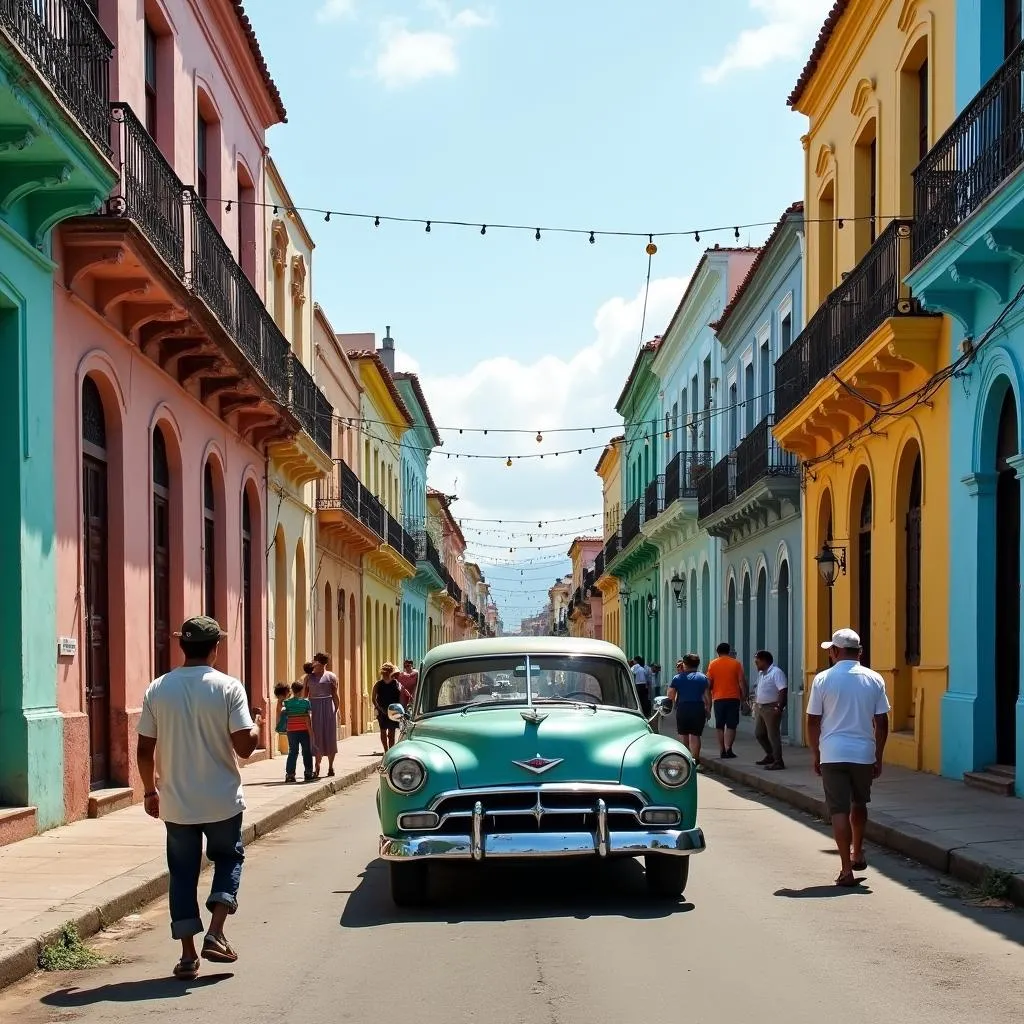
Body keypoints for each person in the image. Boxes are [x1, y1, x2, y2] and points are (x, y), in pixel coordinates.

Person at [136, 616, 262, 981]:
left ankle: (188, 956)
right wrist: (255, 725)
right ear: (215, 648)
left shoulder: (157, 689)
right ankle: (217, 931)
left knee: (182, 874)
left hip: (176, 802)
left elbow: (144, 749)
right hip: (222, 800)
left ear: (182, 646)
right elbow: (243, 748)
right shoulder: (228, 688)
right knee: (228, 858)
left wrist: (148, 790)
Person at [807, 628, 890, 888]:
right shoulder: (874, 679)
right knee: (859, 803)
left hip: (832, 753)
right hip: (863, 753)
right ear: (860, 652)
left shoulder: (823, 679)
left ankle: (846, 869)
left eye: (829, 650)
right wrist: (878, 755)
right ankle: (858, 852)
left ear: (834, 651)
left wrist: (816, 752)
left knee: (838, 810)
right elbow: (882, 721)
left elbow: (813, 720)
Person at [706, 642, 748, 758]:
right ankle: (729, 748)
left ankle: (722, 749)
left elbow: (709, 682)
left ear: (717, 652)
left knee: (719, 725)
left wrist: (708, 697)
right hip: (733, 698)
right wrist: (744, 697)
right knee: (731, 725)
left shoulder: (712, 664)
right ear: (729, 651)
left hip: (718, 698)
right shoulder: (736, 664)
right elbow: (741, 682)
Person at [667, 655, 711, 763]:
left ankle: (686, 760)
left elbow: (670, 696)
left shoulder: (677, 678)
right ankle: (696, 760)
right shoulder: (703, 678)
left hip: (683, 707)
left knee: (683, 735)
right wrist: (708, 709)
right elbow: (707, 697)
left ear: (684, 664)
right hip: (698, 707)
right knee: (695, 735)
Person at [305, 652, 340, 778]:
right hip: (314, 707)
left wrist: (336, 710)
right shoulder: (309, 677)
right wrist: (305, 712)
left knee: (330, 736)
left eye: (316, 661)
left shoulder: (331, 676)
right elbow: (305, 696)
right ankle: (317, 765)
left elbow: (335, 695)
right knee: (316, 736)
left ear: (322, 663)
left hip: (328, 706)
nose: (314, 663)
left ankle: (331, 766)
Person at [753, 650, 788, 769]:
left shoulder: (776, 672)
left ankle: (778, 761)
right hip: (760, 707)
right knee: (759, 733)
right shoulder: (761, 674)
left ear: (764, 661)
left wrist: (780, 706)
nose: (756, 664)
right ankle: (770, 754)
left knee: (773, 735)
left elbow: (782, 690)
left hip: (771, 707)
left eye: (757, 662)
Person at [282, 680, 315, 783]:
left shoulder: (287, 703)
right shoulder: (306, 702)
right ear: (302, 690)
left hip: (291, 730)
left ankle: (290, 774)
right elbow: (308, 717)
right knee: (306, 751)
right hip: (304, 730)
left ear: (292, 690)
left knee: (293, 752)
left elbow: (283, 712)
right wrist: (311, 732)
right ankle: (308, 773)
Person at [372, 662, 402, 752]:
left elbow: (400, 696)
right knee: (383, 730)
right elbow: (373, 698)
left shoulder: (396, 683)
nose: (385, 674)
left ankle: (390, 751)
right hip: (382, 710)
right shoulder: (378, 684)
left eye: (388, 672)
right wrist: (379, 708)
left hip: (393, 709)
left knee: (391, 732)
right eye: (384, 673)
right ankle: (386, 750)